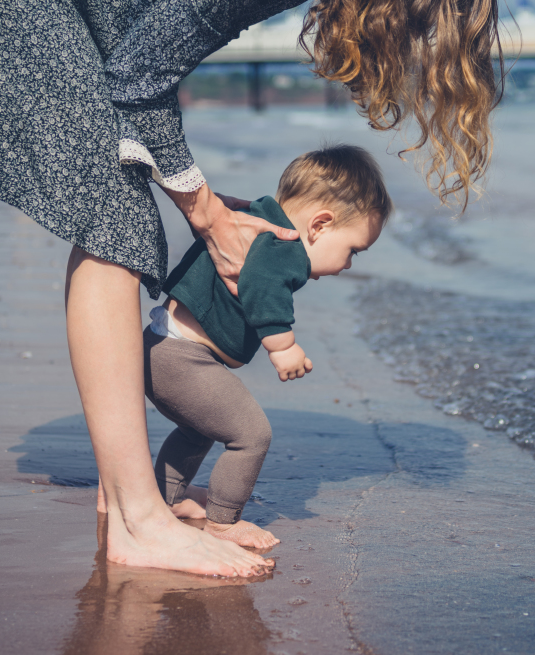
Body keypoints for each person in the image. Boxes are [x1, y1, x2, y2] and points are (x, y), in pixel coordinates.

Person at [0, 0, 506, 577]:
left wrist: (197, 195)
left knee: (117, 210)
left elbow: (148, 61)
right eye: (433, 10)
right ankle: (137, 518)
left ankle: (126, 500)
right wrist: (208, 211)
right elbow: (141, 74)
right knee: (118, 218)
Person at [141, 144, 391, 550]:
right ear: (320, 225)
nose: (347, 265)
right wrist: (283, 346)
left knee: (198, 431)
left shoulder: (254, 218)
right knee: (251, 435)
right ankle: (224, 522)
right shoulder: (282, 247)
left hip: (164, 349)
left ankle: (165, 498)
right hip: (183, 358)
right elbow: (262, 285)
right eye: (352, 252)